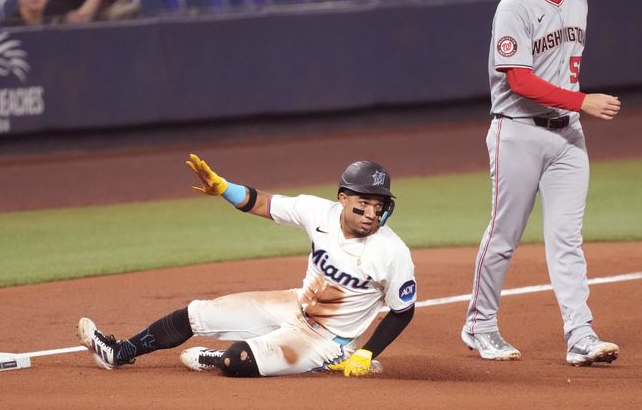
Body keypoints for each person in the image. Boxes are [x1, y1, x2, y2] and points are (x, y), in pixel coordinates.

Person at [78, 154, 416, 377]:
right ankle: (119, 352)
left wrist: (368, 353)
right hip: (296, 305)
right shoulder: (318, 212)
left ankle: (328, 358)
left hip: (330, 339)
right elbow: (263, 203)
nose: (372, 214)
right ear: (343, 198)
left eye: (379, 205)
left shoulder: (391, 251)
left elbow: (403, 310)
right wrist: (224, 188)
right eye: (364, 203)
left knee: (234, 361)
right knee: (197, 313)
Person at [461, 0, 622, 367]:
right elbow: (520, 79)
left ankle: (580, 335)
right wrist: (582, 100)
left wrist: (575, 108)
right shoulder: (515, 6)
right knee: (504, 237)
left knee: (567, 238)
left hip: (568, 135)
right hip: (518, 132)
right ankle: (479, 324)